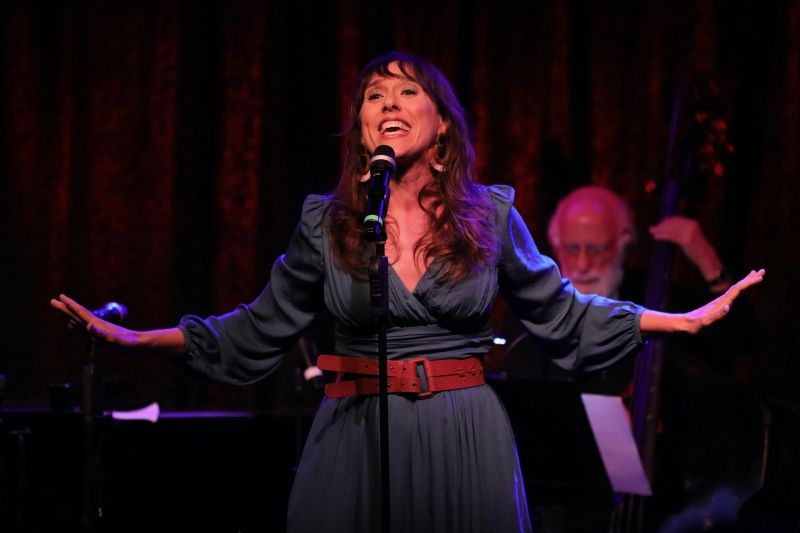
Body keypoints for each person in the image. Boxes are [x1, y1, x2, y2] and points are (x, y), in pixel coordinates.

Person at [50, 52, 765, 533]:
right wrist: (138, 337)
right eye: (373, 95)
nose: (387, 102)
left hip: (463, 437)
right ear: (363, 129)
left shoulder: (491, 214)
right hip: (352, 436)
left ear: (443, 123)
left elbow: (564, 313)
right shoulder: (325, 222)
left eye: (406, 91)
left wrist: (683, 319)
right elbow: (255, 327)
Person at [498, 184, 766, 531]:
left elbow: (744, 340)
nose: (582, 264)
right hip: (547, 508)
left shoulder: (656, 296)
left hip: (655, 506)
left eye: (597, 249)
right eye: (571, 248)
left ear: (623, 241)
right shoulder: (530, 311)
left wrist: (704, 257)